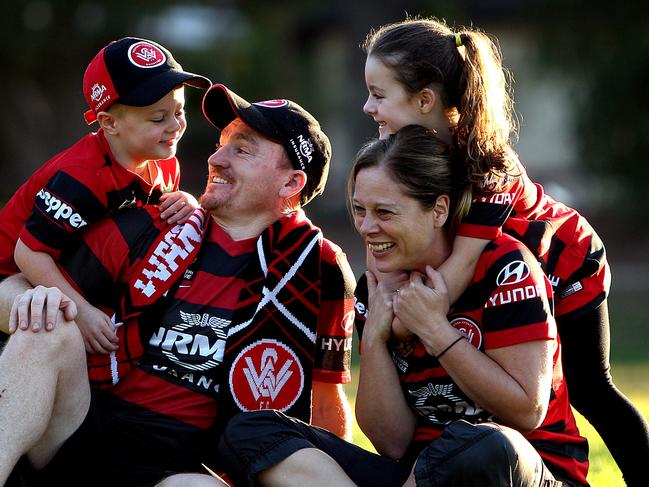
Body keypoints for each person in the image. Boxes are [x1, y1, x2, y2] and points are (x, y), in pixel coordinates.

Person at [0, 83, 355, 487]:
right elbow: (14, 282)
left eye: (242, 150)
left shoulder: (318, 266)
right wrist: (33, 302)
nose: (216, 159)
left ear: (291, 184)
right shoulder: (149, 226)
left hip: (178, 469)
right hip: (85, 429)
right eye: (222, 145)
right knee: (42, 323)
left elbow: (325, 405)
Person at [360, 17, 648, 485]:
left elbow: (456, 272)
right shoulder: (410, 158)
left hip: (563, 258)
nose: (367, 106)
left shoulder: (486, 168)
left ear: (425, 100)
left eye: (378, 93)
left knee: (590, 388)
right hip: (502, 270)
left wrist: (392, 321)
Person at [217, 126, 589, 486]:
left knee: (483, 444)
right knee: (250, 431)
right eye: (360, 210)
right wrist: (376, 338)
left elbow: (526, 411)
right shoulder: (375, 289)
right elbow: (392, 443)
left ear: (439, 209)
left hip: (525, 471)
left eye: (385, 212)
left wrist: (435, 329)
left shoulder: (505, 265)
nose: (366, 227)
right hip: (421, 474)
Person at [0, 37, 211, 355]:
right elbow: (28, 253)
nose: (175, 126)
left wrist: (190, 204)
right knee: (58, 325)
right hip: (14, 277)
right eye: (158, 118)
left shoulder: (165, 163)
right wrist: (83, 312)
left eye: (179, 111)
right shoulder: (82, 175)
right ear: (110, 123)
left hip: (75, 269)